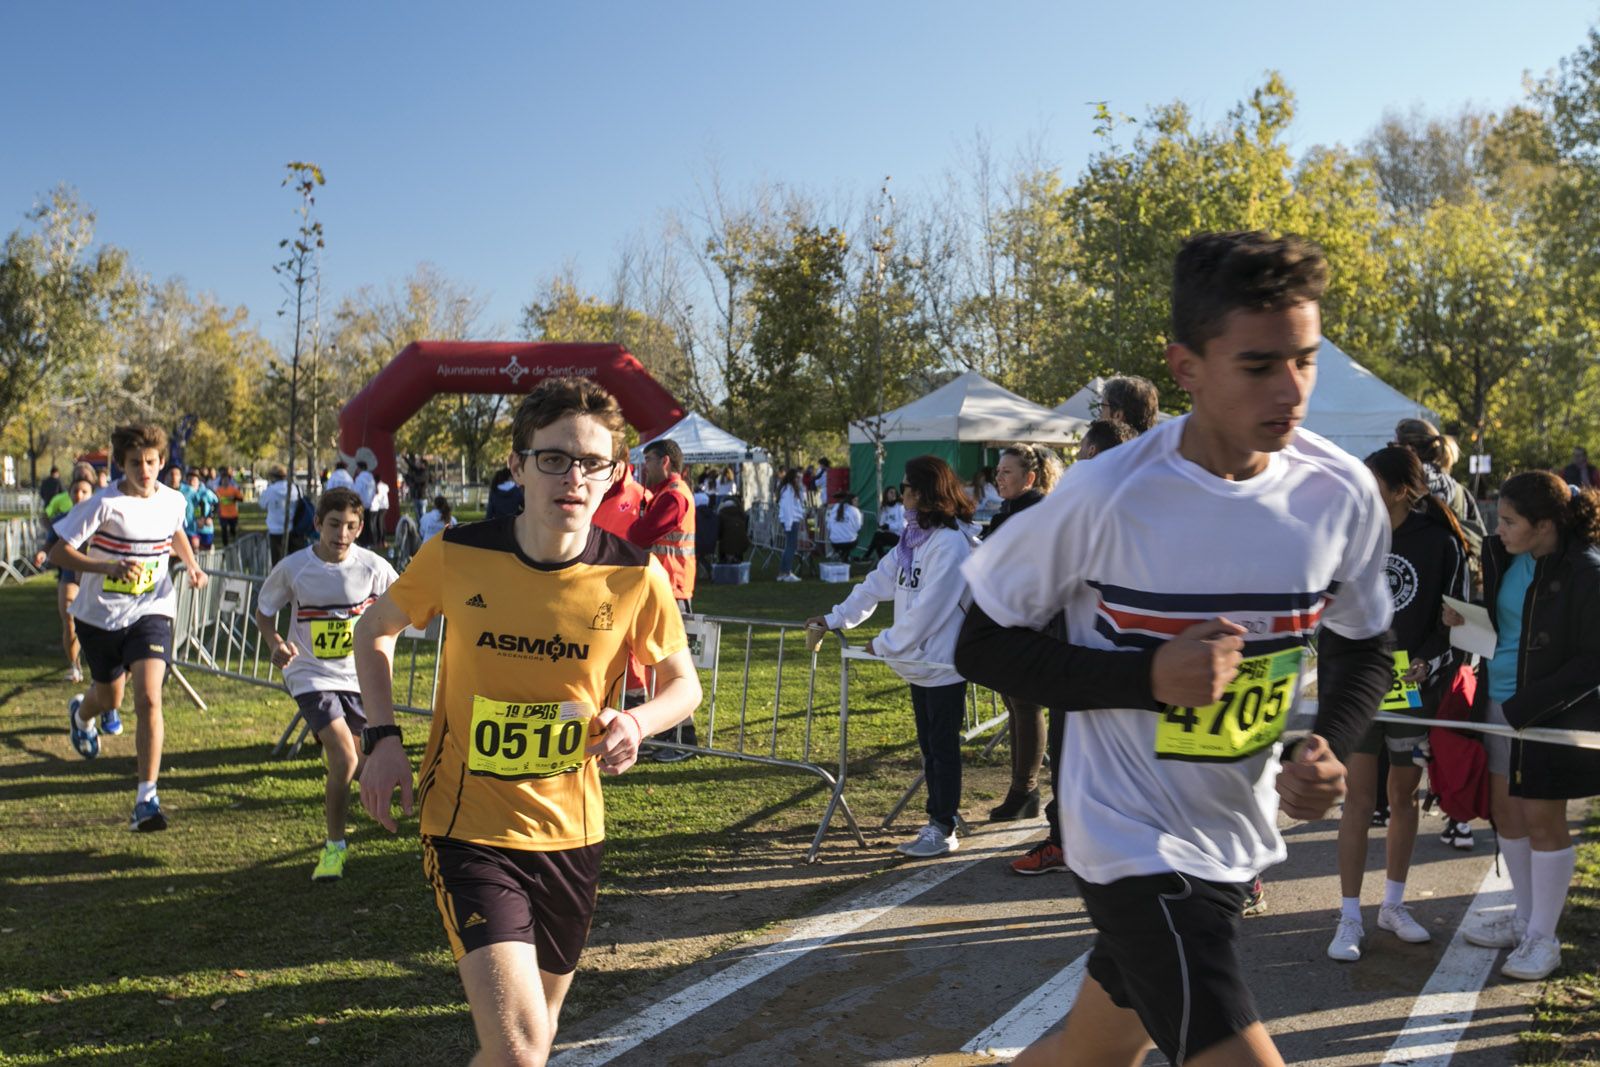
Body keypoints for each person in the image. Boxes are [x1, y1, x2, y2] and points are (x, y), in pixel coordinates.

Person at [955, 231, 1394, 1067]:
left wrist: (1328, 739)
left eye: (1305, 360)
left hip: (1234, 827)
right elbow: (977, 642)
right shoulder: (1106, 493)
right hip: (1126, 836)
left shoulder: (1338, 491)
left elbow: (1366, 645)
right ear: (1186, 366)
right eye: (1259, 365)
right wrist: (1148, 674)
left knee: (1089, 1051)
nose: (1291, 389)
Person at [354, 377, 701, 1066]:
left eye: (592, 462)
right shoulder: (457, 553)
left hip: (573, 831)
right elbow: (374, 630)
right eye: (554, 458)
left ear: (615, 474)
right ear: (517, 466)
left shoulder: (635, 576)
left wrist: (638, 724)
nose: (573, 477)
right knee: (520, 1050)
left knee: (527, 1043)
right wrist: (382, 736)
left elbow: (682, 684)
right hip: (468, 826)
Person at [1448, 471, 1600, 981]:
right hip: (1499, 703)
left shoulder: (1586, 572)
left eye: (1511, 521)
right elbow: (1505, 628)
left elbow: (1591, 661)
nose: (1500, 528)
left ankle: (1543, 938)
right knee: (1506, 815)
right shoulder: (1507, 557)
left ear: (1545, 524)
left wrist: (1527, 707)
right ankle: (1524, 919)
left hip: (1545, 715)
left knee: (1542, 822)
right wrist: (1467, 623)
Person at [1326, 446, 1471, 963]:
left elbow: (1454, 619)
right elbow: (1329, 610)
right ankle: (1348, 915)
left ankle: (1392, 904)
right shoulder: (1350, 536)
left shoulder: (1440, 543)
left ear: (1398, 488)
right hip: (1359, 683)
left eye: (1371, 481)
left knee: (1403, 797)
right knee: (1358, 801)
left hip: (1413, 689)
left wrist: (1429, 662)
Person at [807, 455, 975, 857]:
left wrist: (883, 643)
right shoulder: (911, 539)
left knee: (942, 749)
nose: (901, 495)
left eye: (907, 488)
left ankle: (943, 826)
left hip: (943, 666)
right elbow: (876, 583)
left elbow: (930, 610)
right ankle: (939, 819)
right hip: (919, 665)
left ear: (924, 493)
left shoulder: (950, 543)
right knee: (930, 749)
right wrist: (834, 619)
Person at [50, 423, 210, 832]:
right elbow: (58, 551)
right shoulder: (104, 503)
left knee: (149, 699)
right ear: (121, 463)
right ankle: (82, 715)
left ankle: (146, 798)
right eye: (135, 462)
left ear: (161, 462)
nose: (145, 470)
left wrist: (191, 565)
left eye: (152, 462)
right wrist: (106, 566)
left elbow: (174, 530)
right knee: (108, 697)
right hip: (100, 616)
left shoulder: (173, 500)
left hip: (152, 608)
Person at [1008, 420, 1139, 878]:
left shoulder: (1117, 514)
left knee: (1089, 758)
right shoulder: (1088, 512)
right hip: (1084, 659)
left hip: (1103, 664)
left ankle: (1082, 843)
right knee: (1080, 759)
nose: (1076, 462)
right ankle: (1070, 840)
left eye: (1084, 454)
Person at [254, 487, 397, 882]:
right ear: (318, 524)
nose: (342, 534)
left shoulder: (373, 567)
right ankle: (334, 848)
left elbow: (406, 605)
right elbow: (264, 612)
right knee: (346, 759)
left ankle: (341, 768)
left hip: (358, 675)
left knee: (365, 763)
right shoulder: (294, 567)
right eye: (334, 525)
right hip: (309, 673)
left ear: (360, 527)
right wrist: (276, 644)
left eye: (351, 526)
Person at [980, 444, 1062, 823]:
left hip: (1033, 623)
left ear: (1029, 477)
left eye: (1006, 472)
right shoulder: (1009, 510)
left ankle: (1025, 789)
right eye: (997, 471)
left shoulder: (1037, 512)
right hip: (1009, 619)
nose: (998, 477)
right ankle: (1022, 789)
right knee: (1015, 704)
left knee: (1026, 705)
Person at [629, 438, 699, 759]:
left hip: (673, 590)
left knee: (674, 672)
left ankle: (683, 741)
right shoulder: (663, 495)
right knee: (660, 670)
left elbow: (640, 535)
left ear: (666, 462)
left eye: (649, 461)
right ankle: (668, 738)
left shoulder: (673, 497)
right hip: (664, 589)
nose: (645, 468)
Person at [36, 472, 96, 683]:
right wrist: (43, 553)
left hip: (96, 577)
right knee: (69, 620)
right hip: (69, 576)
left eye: (84, 491)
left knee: (96, 625)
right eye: (75, 491)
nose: (79, 495)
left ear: (92, 494)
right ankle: (75, 666)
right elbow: (50, 542)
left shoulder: (102, 518)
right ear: (69, 495)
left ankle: (101, 667)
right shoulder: (64, 519)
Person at [261, 464, 305, 564]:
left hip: (276, 531)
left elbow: (262, 504)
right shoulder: (295, 488)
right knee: (296, 563)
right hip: (294, 529)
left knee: (277, 564)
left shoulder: (270, 490)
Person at [776, 468, 806, 583]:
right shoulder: (789, 489)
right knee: (790, 547)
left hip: (792, 520)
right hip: (791, 521)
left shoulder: (791, 489)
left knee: (789, 547)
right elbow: (787, 507)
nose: (799, 480)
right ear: (792, 478)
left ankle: (783, 573)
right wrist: (789, 524)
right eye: (797, 477)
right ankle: (787, 572)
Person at [181, 469, 218, 551]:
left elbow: (216, 503)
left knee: (205, 551)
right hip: (190, 529)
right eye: (189, 480)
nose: (191, 482)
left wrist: (210, 517)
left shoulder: (206, 492)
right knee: (192, 551)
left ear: (198, 481)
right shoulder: (184, 493)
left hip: (205, 529)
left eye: (193, 480)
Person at [866, 486, 905, 560]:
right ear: (886, 494)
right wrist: (883, 527)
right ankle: (882, 560)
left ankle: (866, 556)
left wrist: (888, 526)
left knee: (877, 536)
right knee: (878, 542)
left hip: (899, 536)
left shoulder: (900, 507)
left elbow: (903, 524)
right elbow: (881, 523)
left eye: (894, 492)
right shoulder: (885, 508)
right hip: (887, 535)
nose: (893, 494)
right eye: (891, 492)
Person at [826, 492, 863, 561]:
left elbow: (828, 526)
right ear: (851, 500)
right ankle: (844, 558)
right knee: (852, 539)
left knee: (847, 540)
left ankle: (841, 556)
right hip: (849, 542)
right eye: (856, 500)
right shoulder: (855, 510)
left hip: (834, 542)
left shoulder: (834, 508)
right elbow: (858, 527)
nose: (857, 503)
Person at [214, 468, 244, 548]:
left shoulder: (233, 490)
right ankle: (225, 546)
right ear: (221, 481)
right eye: (224, 480)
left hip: (233, 514)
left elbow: (241, 499)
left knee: (232, 530)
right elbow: (215, 501)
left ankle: (234, 542)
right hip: (223, 514)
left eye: (227, 480)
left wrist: (234, 498)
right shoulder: (218, 491)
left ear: (229, 481)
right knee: (224, 530)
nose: (225, 481)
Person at [368, 476, 390, 551]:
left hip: (379, 506)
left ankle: (379, 541)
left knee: (378, 524)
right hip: (385, 506)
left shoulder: (375, 486)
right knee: (382, 523)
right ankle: (383, 541)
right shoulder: (385, 485)